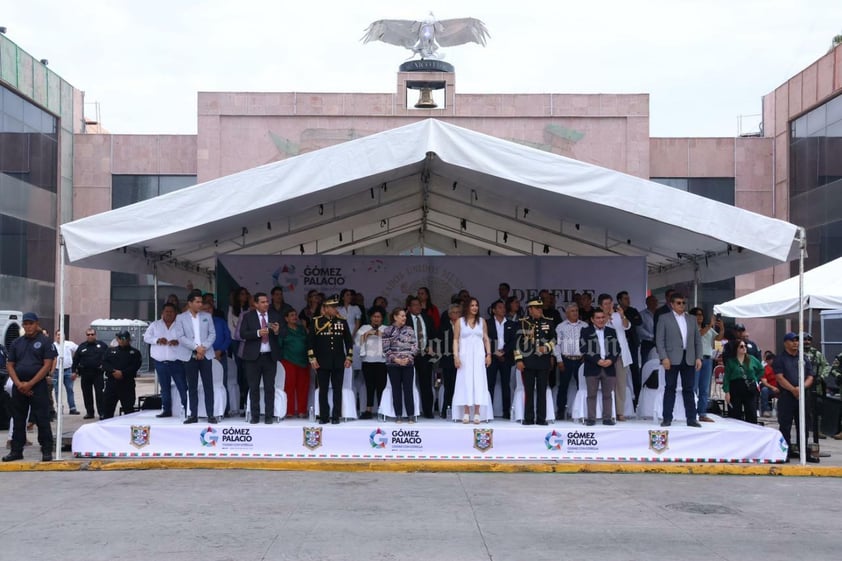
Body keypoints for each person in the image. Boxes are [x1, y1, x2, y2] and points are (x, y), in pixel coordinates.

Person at [2, 312, 56, 462]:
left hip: (37, 385)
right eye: (25, 324)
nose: (28, 326)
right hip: (19, 386)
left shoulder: (45, 342)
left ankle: (46, 450)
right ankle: (16, 450)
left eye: (30, 323)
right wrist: (19, 384)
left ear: (36, 324)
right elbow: (10, 365)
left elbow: (47, 365)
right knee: (18, 419)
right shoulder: (16, 343)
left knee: (42, 418)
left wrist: (31, 383)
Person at [655, 292, 702, 428]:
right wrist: (663, 357)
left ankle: (691, 418)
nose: (682, 305)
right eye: (678, 303)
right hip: (671, 357)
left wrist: (698, 357)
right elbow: (659, 340)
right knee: (670, 388)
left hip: (689, 357)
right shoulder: (664, 318)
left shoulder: (691, 319)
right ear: (672, 304)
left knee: (689, 389)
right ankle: (667, 418)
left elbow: (697, 341)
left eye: (683, 303)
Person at [307, 294, 353, 424]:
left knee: (337, 389)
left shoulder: (342, 321)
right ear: (325, 308)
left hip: (338, 361)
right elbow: (310, 342)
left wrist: (349, 357)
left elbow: (349, 341)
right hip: (322, 361)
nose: (335, 309)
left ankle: (336, 415)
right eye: (332, 307)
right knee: (323, 390)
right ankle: (324, 416)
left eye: (335, 306)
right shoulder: (316, 321)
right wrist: (312, 359)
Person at [239, 292, 282, 424]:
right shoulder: (248, 316)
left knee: (270, 387)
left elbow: (284, 332)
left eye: (267, 301)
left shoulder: (274, 315)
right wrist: (258, 333)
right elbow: (242, 333)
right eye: (262, 302)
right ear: (256, 304)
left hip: (269, 356)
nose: (266, 304)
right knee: (254, 388)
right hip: (253, 357)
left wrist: (277, 331)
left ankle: (269, 416)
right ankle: (255, 416)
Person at [178, 289, 217, 424]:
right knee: (192, 386)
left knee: (208, 385)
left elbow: (212, 334)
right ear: (190, 303)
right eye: (197, 302)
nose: (200, 304)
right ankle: (193, 415)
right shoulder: (181, 318)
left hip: (205, 354)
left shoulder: (207, 316)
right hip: (190, 355)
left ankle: (210, 414)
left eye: (201, 302)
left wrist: (203, 348)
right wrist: (196, 348)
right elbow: (180, 336)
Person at [514, 298, 555, 425]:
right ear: (530, 309)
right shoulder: (522, 323)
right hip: (527, 362)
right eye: (536, 308)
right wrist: (519, 360)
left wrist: (547, 347)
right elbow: (517, 344)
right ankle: (529, 418)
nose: (539, 310)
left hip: (543, 361)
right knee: (529, 391)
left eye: (540, 308)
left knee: (542, 391)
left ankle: (542, 418)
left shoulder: (548, 322)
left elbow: (554, 339)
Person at [773, 332, 815, 457]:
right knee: (785, 425)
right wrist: (793, 389)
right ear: (786, 343)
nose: (796, 343)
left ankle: (802, 450)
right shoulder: (780, 359)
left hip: (802, 396)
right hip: (787, 396)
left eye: (797, 340)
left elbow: (810, 376)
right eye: (793, 340)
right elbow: (779, 378)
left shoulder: (803, 358)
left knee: (803, 424)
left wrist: (801, 388)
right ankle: (785, 451)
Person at [143, 303, 188, 418]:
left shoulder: (180, 325)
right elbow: (146, 337)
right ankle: (166, 410)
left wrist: (178, 342)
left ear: (175, 313)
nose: (168, 314)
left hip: (177, 361)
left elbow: (188, 339)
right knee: (164, 388)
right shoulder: (155, 325)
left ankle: (188, 410)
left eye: (171, 311)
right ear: (162, 313)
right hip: (160, 362)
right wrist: (157, 340)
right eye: (166, 311)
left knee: (182, 386)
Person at [453, 297, 492, 424]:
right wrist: (456, 356)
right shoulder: (459, 322)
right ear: (467, 307)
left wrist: (489, 354)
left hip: (479, 356)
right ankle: (465, 412)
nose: (475, 308)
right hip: (465, 356)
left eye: (476, 305)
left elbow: (486, 338)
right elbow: (455, 340)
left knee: (479, 382)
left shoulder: (482, 321)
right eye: (472, 305)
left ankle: (477, 412)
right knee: (465, 381)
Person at [580, 309, 620, 426]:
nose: (601, 320)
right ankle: (591, 419)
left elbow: (617, 348)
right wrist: (597, 360)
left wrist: (610, 360)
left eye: (603, 317)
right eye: (598, 318)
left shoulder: (611, 331)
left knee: (608, 395)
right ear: (592, 319)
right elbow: (583, 348)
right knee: (591, 394)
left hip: (609, 367)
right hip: (592, 367)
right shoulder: (586, 331)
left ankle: (607, 418)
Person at [597, 293, 632, 421]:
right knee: (608, 384)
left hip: (621, 354)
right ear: (600, 305)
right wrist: (606, 316)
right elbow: (599, 329)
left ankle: (620, 412)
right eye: (606, 304)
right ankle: (608, 412)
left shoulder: (618, 316)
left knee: (621, 384)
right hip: (606, 355)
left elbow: (627, 326)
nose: (609, 306)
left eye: (610, 303)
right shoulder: (599, 318)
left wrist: (622, 315)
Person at [381, 308, 417, 423]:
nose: (404, 318)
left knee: (408, 389)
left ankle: (411, 415)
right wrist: (396, 360)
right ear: (395, 317)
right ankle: (398, 415)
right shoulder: (387, 330)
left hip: (408, 363)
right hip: (393, 365)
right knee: (396, 390)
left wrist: (408, 358)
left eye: (405, 316)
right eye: (402, 316)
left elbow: (415, 346)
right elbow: (386, 349)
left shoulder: (410, 330)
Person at [554, 303, 588, 420]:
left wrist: (586, 356)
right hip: (566, 360)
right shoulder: (560, 327)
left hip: (581, 360)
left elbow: (588, 343)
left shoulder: (585, 326)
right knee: (563, 386)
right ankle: (560, 411)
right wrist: (559, 360)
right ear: (567, 313)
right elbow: (556, 345)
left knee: (582, 386)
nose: (575, 313)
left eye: (576, 310)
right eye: (572, 311)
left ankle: (583, 411)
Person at [406, 295, 437, 418]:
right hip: (409, 356)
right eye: (414, 305)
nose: (418, 307)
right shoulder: (405, 319)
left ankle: (428, 411)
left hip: (425, 355)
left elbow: (434, 335)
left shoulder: (427, 318)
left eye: (419, 304)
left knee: (426, 384)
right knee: (409, 384)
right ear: (409, 307)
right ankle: (410, 412)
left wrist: (432, 346)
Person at [101, 330, 143, 419]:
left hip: (127, 383)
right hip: (112, 383)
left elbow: (135, 366)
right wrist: (113, 371)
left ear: (129, 339)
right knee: (107, 409)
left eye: (125, 338)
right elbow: (104, 363)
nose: (123, 340)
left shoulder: (135, 352)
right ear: (117, 339)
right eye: (120, 338)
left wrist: (123, 373)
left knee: (128, 410)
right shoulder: (110, 351)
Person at [355, 307, 387, 420]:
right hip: (367, 361)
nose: (376, 319)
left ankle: (381, 410)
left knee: (381, 386)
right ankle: (368, 410)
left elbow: (391, 343)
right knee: (369, 386)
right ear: (370, 318)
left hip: (382, 361)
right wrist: (366, 334)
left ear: (382, 318)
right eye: (374, 317)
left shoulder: (386, 329)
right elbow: (357, 344)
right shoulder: (364, 328)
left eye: (378, 317)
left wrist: (381, 335)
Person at [279, 308, 310, 419]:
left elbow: (308, 342)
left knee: (303, 387)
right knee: (289, 386)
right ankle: (289, 411)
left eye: (295, 315)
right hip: (288, 361)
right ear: (286, 318)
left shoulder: (302, 329)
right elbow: (279, 345)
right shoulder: (283, 330)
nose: (294, 317)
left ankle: (302, 411)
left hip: (303, 361)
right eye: (291, 315)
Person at [722, 338, 762, 424]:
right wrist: (727, 392)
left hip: (749, 387)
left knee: (751, 412)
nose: (744, 348)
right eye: (741, 346)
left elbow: (761, 369)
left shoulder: (751, 359)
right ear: (736, 349)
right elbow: (727, 378)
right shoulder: (731, 362)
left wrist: (756, 379)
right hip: (735, 387)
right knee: (735, 414)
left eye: (745, 346)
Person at [72, 327, 108, 419]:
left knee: (99, 394)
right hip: (85, 374)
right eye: (88, 334)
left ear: (95, 335)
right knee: (87, 394)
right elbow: (76, 359)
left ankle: (102, 413)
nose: (90, 336)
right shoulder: (82, 346)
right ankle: (90, 412)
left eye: (92, 334)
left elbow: (108, 357)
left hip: (98, 374)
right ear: (86, 336)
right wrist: (73, 371)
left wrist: (105, 367)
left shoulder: (102, 345)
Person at [486, 299, 513, 418]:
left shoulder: (511, 324)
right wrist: (495, 352)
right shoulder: (487, 323)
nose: (503, 309)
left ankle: (506, 411)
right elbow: (485, 339)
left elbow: (513, 341)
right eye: (500, 307)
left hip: (506, 357)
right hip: (491, 356)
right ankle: (488, 411)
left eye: (504, 307)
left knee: (506, 384)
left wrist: (504, 352)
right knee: (489, 384)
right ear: (494, 310)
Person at [689, 307, 717, 422]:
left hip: (708, 359)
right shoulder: (691, 327)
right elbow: (699, 334)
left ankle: (702, 413)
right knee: (694, 387)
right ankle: (691, 412)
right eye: (697, 315)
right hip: (696, 359)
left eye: (701, 315)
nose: (700, 317)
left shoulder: (708, 328)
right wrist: (710, 325)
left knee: (704, 388)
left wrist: (722, 327)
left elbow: (718, 338)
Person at [204, 298, 231, 415]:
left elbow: (228, 338)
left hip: (220, 356)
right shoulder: (197, 324)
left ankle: (225, 409)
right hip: (204, 357)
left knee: (222, 383)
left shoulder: (221, 322)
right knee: (206, 383)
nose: (207, 311)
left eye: (209, 309)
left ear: (213, 310)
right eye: (204, 309)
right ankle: (206, 410)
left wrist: (220, 351)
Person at [617, 291, 643, 405]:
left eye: (628, 298)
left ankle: (637, 398)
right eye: (625, 298)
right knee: (618, 370)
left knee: (634, 370)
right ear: (619, 300)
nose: (628, 300)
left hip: (631, 343)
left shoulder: (633, 311)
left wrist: (626, 319)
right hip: (619, 344)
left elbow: (638, 322)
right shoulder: (615, 312)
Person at [437, 304, 461, 418]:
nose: (456, 315)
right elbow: (440, 344)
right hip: (448, 360)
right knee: (448, 386)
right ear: (449, 314)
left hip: (462, 360)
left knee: (460, 386)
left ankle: (460, 411)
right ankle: (446, 409)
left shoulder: (464, 326)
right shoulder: (443, 327)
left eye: (458, 312)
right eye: (454, 312)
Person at [52, 330, 79, 415]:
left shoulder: (69, 344)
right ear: (56, 336)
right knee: (57, 391)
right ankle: (60, 408)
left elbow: (79, 351)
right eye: (58, 335)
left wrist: (76, 366)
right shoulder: (53, 346)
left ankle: (72, 408)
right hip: (56, 371)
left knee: (70, 389)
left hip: (68, 370)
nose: (59, 337)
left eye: (61, 335)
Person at [637, 295, 658, 363]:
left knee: (660, 362)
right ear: (647, 303)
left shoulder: (660, 314)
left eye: (656, 301)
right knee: (645, 362)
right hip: (647, 342)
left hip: (660, 342)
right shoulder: (641, 314)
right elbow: (639, 329)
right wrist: (652, 337)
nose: (655, 302)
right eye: (653, 301)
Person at [760, 351, 779, 418]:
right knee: (764, 390)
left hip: (780, 388)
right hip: (770, 389)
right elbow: (764, 381)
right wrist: (772, 387)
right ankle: (766, 410)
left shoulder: (779, 367)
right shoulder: (765, 369)